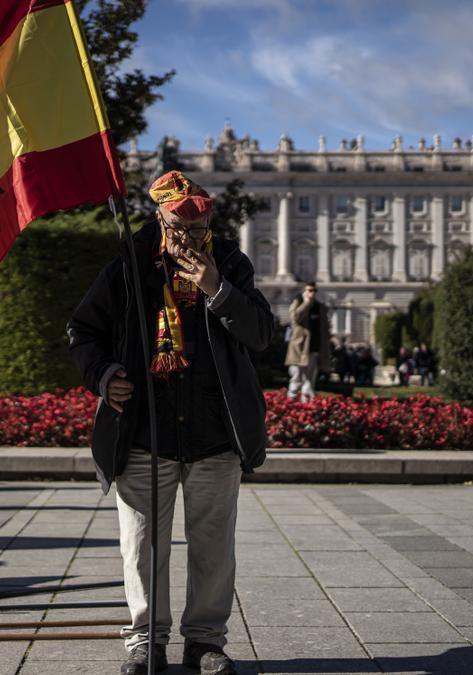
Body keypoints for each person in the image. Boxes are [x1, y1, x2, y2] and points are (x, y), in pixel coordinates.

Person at [67, 170, 271, 675]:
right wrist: (104, 374)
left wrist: (216, 288)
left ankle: (204, 643)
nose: (192, 233)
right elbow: (83, 330)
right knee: (141, 545)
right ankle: (146, 641)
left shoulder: (229, 262)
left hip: (214, 433)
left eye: (201, 221)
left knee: (212, 549)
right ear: (160, 216)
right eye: (181, 222)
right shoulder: (131, 265)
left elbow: (262, 333)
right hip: (144, 430)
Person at [285, 281, 330, 402]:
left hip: (314, 349)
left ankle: (306, 408)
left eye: (314, 291)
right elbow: (295, 318)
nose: (312, 293)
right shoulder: (298, 303)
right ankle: (291, 404)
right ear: (304, 292)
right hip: (299, 349)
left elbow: (325, 329)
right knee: (296, 378)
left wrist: (325, 350)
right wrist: (306, 304)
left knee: (309, 381)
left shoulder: (320, 307)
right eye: (309, 290)